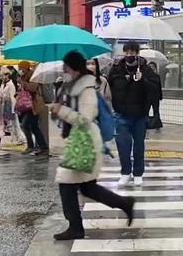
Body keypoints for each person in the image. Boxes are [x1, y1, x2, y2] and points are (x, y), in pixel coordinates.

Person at [50, 50, 135, 241]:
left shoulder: (87, 89)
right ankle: (124, 203)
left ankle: (75, 227)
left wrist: (62, 110)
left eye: (66, 66)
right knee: (88, 187)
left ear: (73, 67)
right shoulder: (74, 87)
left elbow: (85, 119)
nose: (64, 70)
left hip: (86, 142)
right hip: (81, 141)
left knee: (66, 185)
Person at [108, 41, 160, 187]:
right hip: (121, 114)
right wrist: (129, 80)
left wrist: (142, 79)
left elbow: (155, 89)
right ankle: (125, 172)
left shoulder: (146, 68)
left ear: (137, 53)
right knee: (123, 145)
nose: (129, 55)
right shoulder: (117, 68)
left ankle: (138, 173)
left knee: (138, 146)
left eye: (133, 53)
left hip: (140, 115)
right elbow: (111, 86)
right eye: (127, 53)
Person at [17, 62, 49, 156]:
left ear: (26, 68)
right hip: (27, 106)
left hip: (34, 105)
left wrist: (23, 83)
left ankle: (31, 146)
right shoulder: (22, 77)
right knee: (34, 127)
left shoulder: (33, 75)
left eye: (21, 68)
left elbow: (33, 88)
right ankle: (43, 148)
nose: (19, 70)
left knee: (25, 125)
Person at [0, 68, 16, 148]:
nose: (3, 77)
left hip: (8, 106)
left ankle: (20, 138)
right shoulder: (2, 84)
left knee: (12, 125)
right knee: (2, 124)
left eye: (5, 75)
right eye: (2, 75)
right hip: (2, 106)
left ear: (8, 75)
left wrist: (13, 109)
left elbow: (12, 97)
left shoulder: (11, 85)